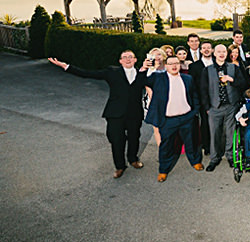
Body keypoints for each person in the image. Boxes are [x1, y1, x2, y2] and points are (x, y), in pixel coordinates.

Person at [47, 51, 147, 179]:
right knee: (116, 140)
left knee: (134, 137)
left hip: (134, 113)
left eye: (130, 57)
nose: (128, 59)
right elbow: (88, 74)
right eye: (125, 57)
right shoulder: (112, 72)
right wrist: (66, 66)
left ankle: (133, 159)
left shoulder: (142, 73)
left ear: (135, 60)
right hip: (115, 113)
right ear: (120, 61)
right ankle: (120, 166)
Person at [144, 55, 204, 182]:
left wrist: (194, 111)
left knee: (191, 142)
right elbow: (141, 81)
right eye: (171, 63)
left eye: (176, 63)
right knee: (166, 145)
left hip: (186, 117)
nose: (174, 66)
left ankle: (195, 161)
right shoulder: (158, 78)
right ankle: (163, 170)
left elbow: (194, 95)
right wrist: (144, 68)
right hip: (168, 120)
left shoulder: (187, 78)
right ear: (166, 66)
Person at [200, 44, 250, 172]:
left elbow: (244, 84)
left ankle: (230, 156)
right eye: (219, 51)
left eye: (223, 51)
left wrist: (232, 79)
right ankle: (214, 158)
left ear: (226, 54)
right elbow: (203, 90)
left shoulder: (233, 68)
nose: (221, 54)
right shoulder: (208, 70)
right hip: (214, 108)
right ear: (214, 53)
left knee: (230, 133)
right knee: (215, 133)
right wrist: (207, 108)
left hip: (231, 106)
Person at [188, 40, 215, 156]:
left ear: (212, 50)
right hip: (202, 99)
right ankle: (207, 146)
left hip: (217, 98)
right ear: (200, 50)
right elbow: (192, 84)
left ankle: (217, 144)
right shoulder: (194, 66)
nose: (206, 50)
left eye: (209, 47)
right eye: (204, 48)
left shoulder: (217, 63)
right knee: (205, 122)